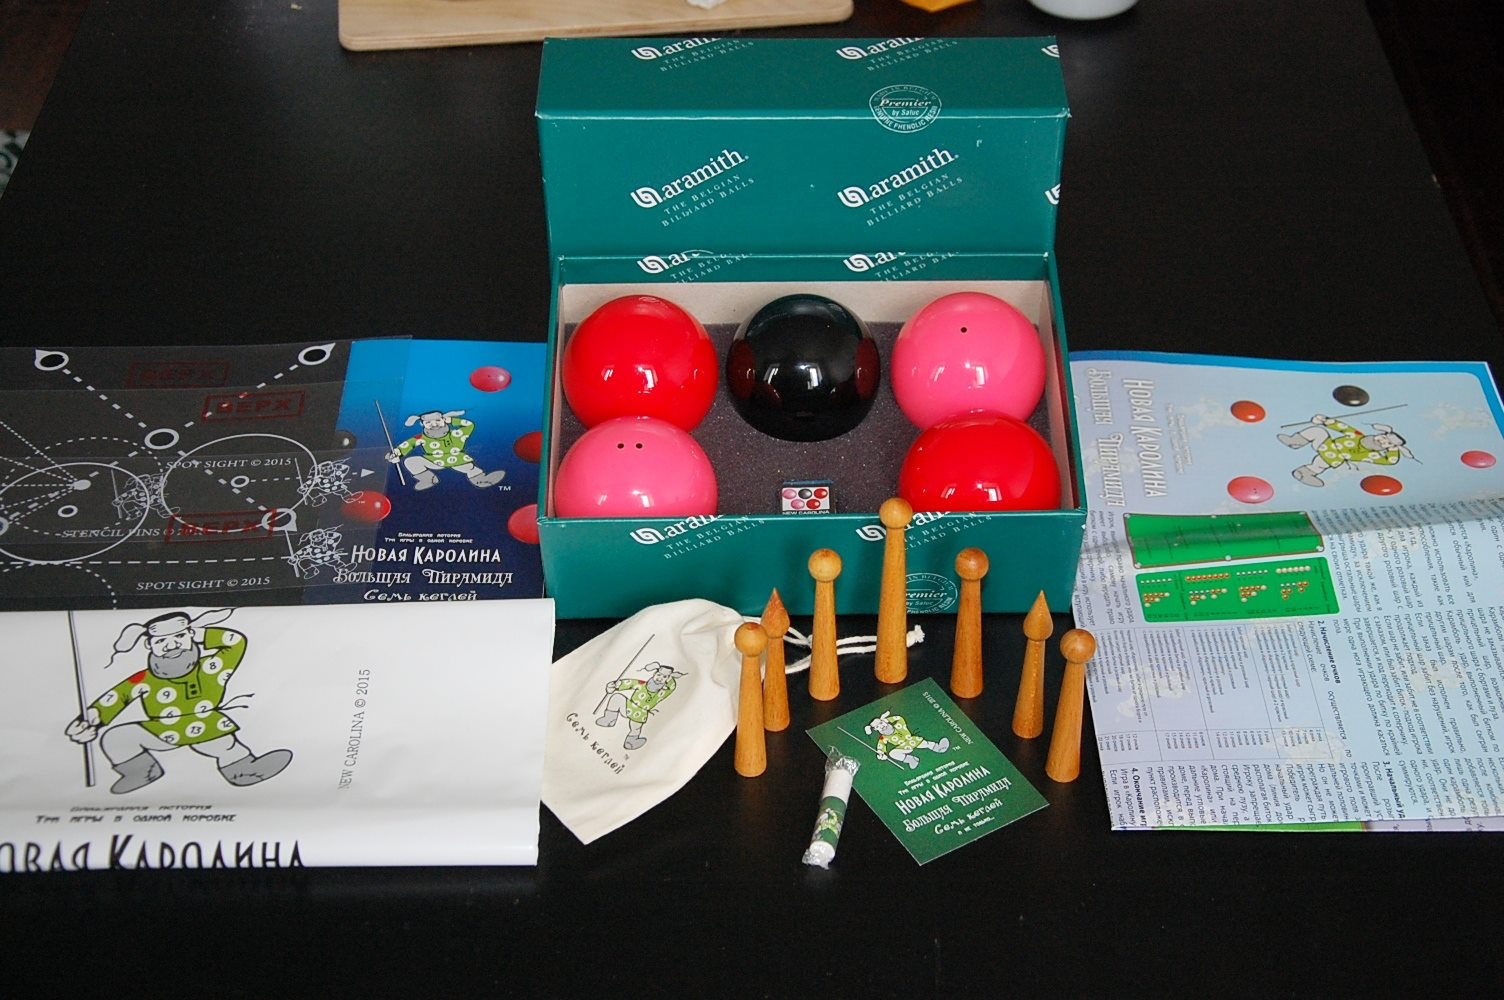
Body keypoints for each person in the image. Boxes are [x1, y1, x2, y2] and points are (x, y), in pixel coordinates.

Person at [63, 609, 293, 794]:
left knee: (225, 747)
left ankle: (243, 771)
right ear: (149, 645)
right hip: (162, 730)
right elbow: (115, 698)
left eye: (180, 637)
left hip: (206, 725)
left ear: (191, 635)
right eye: (161, 640)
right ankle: (142, 772)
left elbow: (235, 642)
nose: (172, 645)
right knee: (115, 737)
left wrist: (199, 633)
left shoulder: (210, 667)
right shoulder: (144, 678)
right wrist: (90, 721)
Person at [386, 409, 505, 491]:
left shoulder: (456, 433)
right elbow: (407, 445)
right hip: (434, 461)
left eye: (438, 421)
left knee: (469, 468)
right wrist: (396, 454)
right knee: (411, 461)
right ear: (423, 425)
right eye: (428, 422)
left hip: (457, 459)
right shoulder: (421, 437)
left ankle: (482, 480)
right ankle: (428, 479)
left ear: (444, 420)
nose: (434, 424)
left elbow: (469, 425)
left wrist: (453, 420)